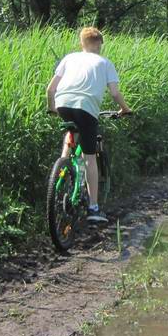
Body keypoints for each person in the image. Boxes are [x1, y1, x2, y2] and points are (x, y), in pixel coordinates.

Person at [46, 27, 132, 224]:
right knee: (89, 158)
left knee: (71, 131)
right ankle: (93, 207)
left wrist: (52, 109)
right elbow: (115, 94)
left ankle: (63, 168)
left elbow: (50, 89)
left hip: (62, 104)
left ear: (81, 43)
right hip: (86, 109)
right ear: (100, 44)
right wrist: (126, 109)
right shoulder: (105, 63)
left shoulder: (69, 58)